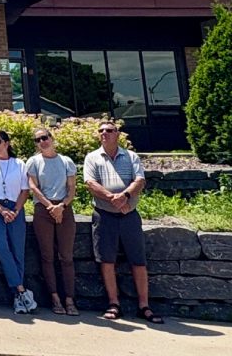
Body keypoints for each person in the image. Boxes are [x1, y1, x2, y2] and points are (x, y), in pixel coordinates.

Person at [83, 119, 163, 324]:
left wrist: (125, 197)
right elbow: (90, 184)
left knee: (138, 260)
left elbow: (140, 180)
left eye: (109, 130)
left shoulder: (131, 156)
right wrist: (113, 199)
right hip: (104, 215)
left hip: (129, 215)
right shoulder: (92, 158)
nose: (104, 133)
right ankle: (113, 303)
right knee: (107, 260)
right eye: (101, 131)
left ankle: (144, 306)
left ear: (117, 134)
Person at [0, 130, 36, 314]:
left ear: (7, 143)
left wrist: (16, 210)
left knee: (17, 251)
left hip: (15, 208)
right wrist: (0, 209)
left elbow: (25, 190)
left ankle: (18, 298)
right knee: (2, 247)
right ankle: (21, 290)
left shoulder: (19, 164)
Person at [25, 128, 79, 316]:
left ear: (52, 138)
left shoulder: (66, 161)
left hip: (64, 208)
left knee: (66, 256)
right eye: (38, 139)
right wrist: (50, 206)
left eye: (45, 137)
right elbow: (33, 186)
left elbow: (72, 188)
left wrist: (62, 206)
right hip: (43, 209)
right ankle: (55, 298)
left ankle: (70, 299)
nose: (42, 142)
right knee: (47, 256)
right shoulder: (33, 162)